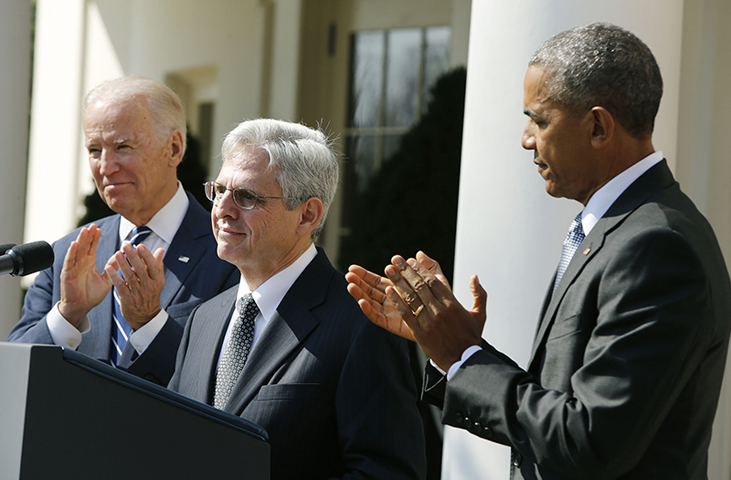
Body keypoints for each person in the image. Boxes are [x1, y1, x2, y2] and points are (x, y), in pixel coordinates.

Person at [346, 23, 731, 480]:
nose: (526, 138)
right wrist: (451, 347)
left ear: (598, 126)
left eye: (540, 120)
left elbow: (588, 440)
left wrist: (465, 356)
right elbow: (561, 404)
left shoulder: (657, 246)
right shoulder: (617, 229)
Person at [168, 118, 426, 480]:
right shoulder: (205, 318)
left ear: (308, 215)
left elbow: (387, 473)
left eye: (246, 197)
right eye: (219, 190)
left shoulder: (362, 323)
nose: (223, 209)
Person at [8, 77, 238, 386]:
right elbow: (13, 373)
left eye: (122, 147)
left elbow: (225, 384)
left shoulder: (229, 251)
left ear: (173, 149)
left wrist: (149, 323)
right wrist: (68, 315)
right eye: (94, 150)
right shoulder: (66, 253)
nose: (105, 167)